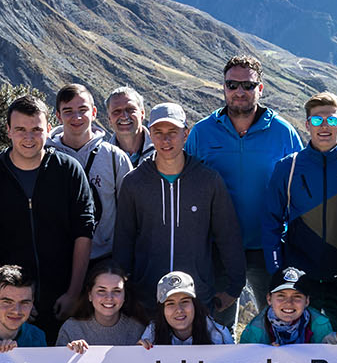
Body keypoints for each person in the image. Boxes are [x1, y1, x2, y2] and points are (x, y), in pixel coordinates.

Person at [185, 55, 304, 326]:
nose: (240, 91)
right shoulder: (202, 133)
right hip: (218, 246)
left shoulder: (283, 132)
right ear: (223, 87)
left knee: (277, 319)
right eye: (232, 84)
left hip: (269, 245)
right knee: (218, 323)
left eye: (248, 86)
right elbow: (189, 185)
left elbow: (298, 189)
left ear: (260, 89)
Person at [0, 96, 95, 339]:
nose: (29, 137)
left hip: (63, 299)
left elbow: (84, 233)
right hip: (13, 310)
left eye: (36, 129)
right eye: (20, 130)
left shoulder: (68, 170)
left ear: (48, 129)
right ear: (8, 131)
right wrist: (12, 298)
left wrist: (73, 292)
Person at [113, 102, 244, 324]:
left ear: (186, 134)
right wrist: (124, 289)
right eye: (158, 133)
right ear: (150, 134)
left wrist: (235, 286)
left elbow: (227, 234)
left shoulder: (208, 181)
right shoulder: (134, 183)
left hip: (197, 299)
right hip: (147, 299)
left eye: (173, 132)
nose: (166, 140)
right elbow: (124, 240)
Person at [263, 92, 337, 324]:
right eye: (316, 120)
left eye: (331, 120)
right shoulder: (288, 167)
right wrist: (276, 268)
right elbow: (271, 219)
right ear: (306, 125)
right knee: (299, 347)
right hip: (299, 280)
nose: (324, 126)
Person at [49, 83, 133, 262]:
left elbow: (131, 215)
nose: (76, 117)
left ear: (94, 112)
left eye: (82, 109)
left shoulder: (114, 158)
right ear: (58, 116)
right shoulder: (46, 157)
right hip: (57, 260)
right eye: (68, 111)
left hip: (105, 260)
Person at [238, 267, 337, 346]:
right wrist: (266, 355)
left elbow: (325, 350)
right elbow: (246, 361)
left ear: (307, 301)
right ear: (269, 299)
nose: (289, 303)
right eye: (281, 296)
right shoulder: (255, 330)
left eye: (297, 297)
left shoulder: (319, 323)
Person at [58, 262, 147, 350]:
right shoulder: (71, 329)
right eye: (101, 291)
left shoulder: (138, 329)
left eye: (116, 291)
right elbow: (56, 362)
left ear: (125, 295)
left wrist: (145, 351)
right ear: (89, 294)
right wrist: (69, 352)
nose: (109, 298)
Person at [138, 271, 234, 346]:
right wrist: (139, 353)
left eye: (184, 301)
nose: (179, 310)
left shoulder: (219, 334)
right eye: (171, 304)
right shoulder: (152, 332)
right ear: (162, 309)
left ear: (195, 304)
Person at [105, 87, 152, 162]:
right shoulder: (101, 157)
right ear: (109, 119)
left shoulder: (162, 150)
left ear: (142, 114)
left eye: (130, 109)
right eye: (117, 111)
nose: (124, 116)